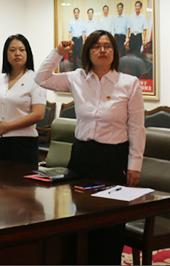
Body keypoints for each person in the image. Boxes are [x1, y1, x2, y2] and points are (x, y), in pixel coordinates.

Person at [35, 30, 145, 265]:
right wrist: (58, 52)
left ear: (115, 52)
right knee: (79, 217)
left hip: (113, 159)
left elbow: (137, 127)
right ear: (88, 52)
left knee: (110, 223)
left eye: (107, 46)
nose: (102, 50)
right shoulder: (77, 78)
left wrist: (135, 164)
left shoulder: (129, 83)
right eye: (96, 46)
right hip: (82, 157)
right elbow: (41, 79)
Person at [0, 35, 46, 165]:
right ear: (6, 54)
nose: (17, 53)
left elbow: (38, 114)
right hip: (0, 141)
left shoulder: (36, 80)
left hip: (24, 142)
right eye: (12, 50)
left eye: (22, 50)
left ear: (28, 53)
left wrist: (9, 126)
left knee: (23, 178)